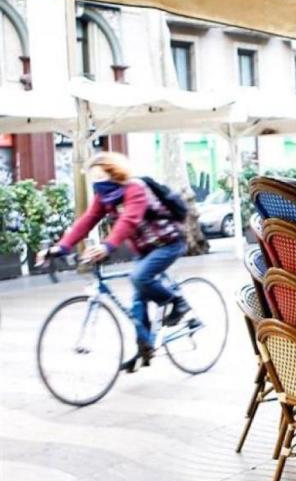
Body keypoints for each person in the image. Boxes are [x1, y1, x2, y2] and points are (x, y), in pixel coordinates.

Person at [37, 152, 189, 371]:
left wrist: (107, 245)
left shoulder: (134, 188)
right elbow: (86, 221)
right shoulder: (104, 197)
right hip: (145, 248)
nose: (97, 184)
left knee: (139, 277)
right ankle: (144, 348)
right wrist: (61, 247)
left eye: (100, 177)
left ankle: (177, 302)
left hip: (168, 242)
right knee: (138, 299)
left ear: (114, 173)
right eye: (93, 179)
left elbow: (129, 220)